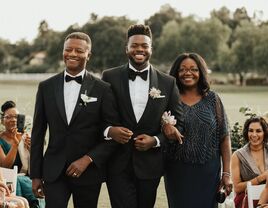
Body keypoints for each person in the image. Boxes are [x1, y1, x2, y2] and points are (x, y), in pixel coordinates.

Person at [30, 32, 124, 208]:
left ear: (88, 54)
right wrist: (35, 175)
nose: (72, 54)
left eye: (78, 50)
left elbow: (112, 135)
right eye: (68, 49)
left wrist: (87, 159)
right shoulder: (46, 87)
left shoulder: (102, 89)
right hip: (53, 172)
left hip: (88, 173)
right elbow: (37, 133)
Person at [102, 24, 184, 208]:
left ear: (151, 49)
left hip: (150, 165)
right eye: (134, 45)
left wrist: (155, 140)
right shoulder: (109, 77)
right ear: (127, 49)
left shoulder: (168, 82)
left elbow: (180, 124)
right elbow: (97, 117)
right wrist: (110, 131)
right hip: (117, 163)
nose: (139, 49)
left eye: (144, 46)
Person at [163, 52, 233, 208]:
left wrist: (226, 174)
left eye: (193, 69)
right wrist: (164, 125)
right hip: (177, 172)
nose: (188, 73)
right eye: (182, 69)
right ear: (176, 72)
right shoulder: (169, 99)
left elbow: (224, 137)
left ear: (201, 72)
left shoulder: (213, 99)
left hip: (208, 172)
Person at [0, 101, 39, 208]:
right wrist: (15, 144)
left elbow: (36, 164)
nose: (13, 119)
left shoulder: (26, 137)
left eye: (16, 117)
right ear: (2, 121)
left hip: (26, 178)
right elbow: (4, 165)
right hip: (7, 179)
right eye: (8, 117)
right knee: (22, 183)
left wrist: (32, 149)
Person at [232, 116, 268, 208]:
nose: (254, 134)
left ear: (264, 133)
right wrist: (262, 177)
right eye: (250, 130)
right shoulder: (237, 155)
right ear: (246, 132)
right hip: (247, 200)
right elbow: (237, 188)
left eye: (258, 131)